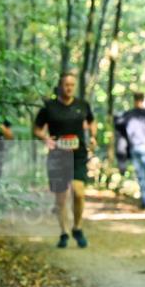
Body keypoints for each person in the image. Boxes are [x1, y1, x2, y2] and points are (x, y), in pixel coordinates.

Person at [34, 73, 97, 248]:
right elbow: (37, 129)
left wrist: (93, 136)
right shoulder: (49, 107)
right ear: (60, 86)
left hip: (78, 154)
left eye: (72, 85)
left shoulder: (82, 105)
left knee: (78, 192)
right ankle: (64, 232)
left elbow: (91, 121)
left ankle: (77, 227)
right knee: (61, 198)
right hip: (57, 155)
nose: (69, 88)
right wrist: (46, 139)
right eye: (66, 85)